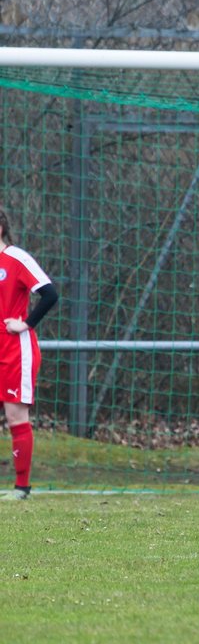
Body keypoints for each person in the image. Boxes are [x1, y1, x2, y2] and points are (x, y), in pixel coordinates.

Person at [0, 208, 58, 501]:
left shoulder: (17, 258)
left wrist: (25, 323)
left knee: (15, 415)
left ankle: (22, 488)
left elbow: (50, 293)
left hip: (15, 350)